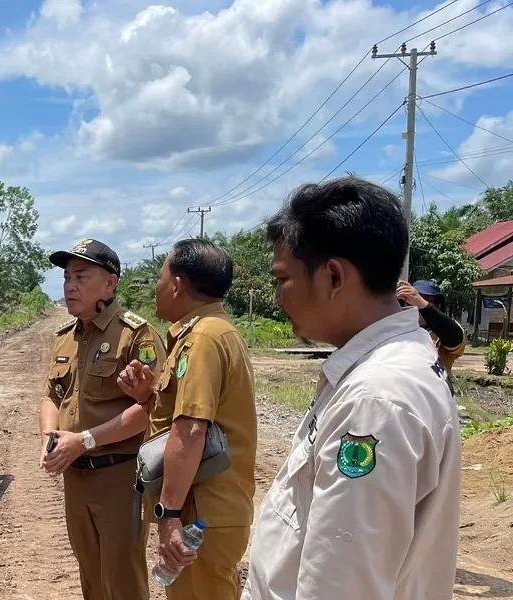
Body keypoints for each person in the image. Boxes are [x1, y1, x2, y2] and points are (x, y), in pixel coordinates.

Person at [244, 177, 461, 599]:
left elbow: (339, 585)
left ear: (333, 276)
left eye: (283, 279)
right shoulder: (393, 365)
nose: (276, 298)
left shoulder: (375, 400)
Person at [116, 238, 257, 600]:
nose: (157, 287)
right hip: (206, 509)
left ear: (177, 285)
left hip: (200, 512)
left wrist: (169, 514)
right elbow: (186, 417)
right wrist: (148, 396)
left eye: (160, 277)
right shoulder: (206, 332)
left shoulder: (204, 338)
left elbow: (191, 430)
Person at [39, 237, 167, 600]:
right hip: (76, 478)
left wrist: (83, 440)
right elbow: (51, 394)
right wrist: (51, 437)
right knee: (91, 578)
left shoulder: (135, 335)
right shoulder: (66, 338)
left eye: (81, 276)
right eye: (66, 278)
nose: (69, 286)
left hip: (119, 477)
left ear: (110, 283)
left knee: (122, 579)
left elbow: (149, 410)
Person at [397, 279, 467, 373]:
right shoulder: (399, 329)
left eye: (427, 299)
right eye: (410, 299)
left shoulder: (442, 331)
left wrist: (422, 304)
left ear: (437, 306)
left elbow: (455, 337)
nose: (415, 304)